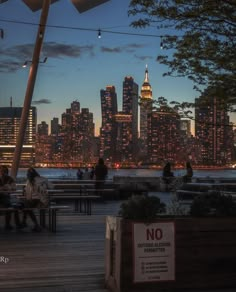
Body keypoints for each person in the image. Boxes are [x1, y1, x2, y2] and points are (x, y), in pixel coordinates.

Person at [22, 167, 51, 232]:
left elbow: (28, 194)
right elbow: (52, 186)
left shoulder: (29, 181)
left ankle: (28, 223)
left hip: (40, 201)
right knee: (26, 206)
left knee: (25, 205)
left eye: (27, 174)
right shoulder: (43, 179)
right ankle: (34, 224)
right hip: (43, 200)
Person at [0, 165, 21, 230]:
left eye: (4, 171)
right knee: (10, 206)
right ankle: (11, 224)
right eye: (2, 171)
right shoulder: (9, 179)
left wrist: (7, 188)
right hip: (4, 199)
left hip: (6, 199)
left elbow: (14, 188)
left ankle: (9, 224)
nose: (3, 172)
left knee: (12, 207)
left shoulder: (10, 179)